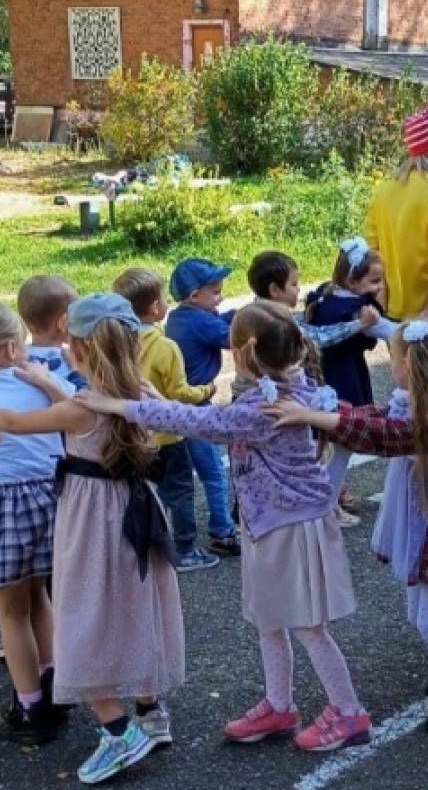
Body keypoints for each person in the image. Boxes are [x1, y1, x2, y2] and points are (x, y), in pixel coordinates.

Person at [79, 300, 372, 753]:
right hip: (270, 524)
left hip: (291, 528)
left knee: (309, 626)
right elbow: (198, 418)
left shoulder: (266, 407)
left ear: (244, 353)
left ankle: (349, 712)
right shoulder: (291, 387)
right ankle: (280, 704)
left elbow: (202, 423)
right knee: (269, 620)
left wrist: (121, 404)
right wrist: (152, 400)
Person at [0, 294, 185, 785]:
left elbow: (15, 424)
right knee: (137, 609)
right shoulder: (136, 391)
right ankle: (151, 711)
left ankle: (119, 730)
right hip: (141, 512)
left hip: (95, 524)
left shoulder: (83, 407)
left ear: (79, 349)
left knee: (82, 619)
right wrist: (49, 381)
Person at [264, 318, 428, 732]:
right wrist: (329, 409)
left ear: (410, 365)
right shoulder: (417, 399)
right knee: (420, 608)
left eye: (394, 358)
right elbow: (374, 418)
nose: (391, 364)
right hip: (426, 517)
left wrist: (315, 415)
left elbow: (381, 435)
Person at [0, 303, 64, 744]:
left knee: (11, 613)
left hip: (6, 510)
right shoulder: (40, 383)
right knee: (41, 596)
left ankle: (30, 707)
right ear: (12, 346)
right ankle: (55, 687)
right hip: (56, 499)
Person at [245, 248, 386, 523]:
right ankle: (321, 506)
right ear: (275, 289)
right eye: (294, 284)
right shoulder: (272, 317)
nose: (299, 289)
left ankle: (315, 504)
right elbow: (319, 337)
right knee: (312, 450)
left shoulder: (263, 311)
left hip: (282, 392)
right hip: (282, 394)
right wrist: (359, 324)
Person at [113, 267, 219, 574]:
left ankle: (149, 546)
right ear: (155, 307)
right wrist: (207, 389)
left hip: (135, 433)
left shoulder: (120, 342)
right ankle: (185, 549)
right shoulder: (164, 346)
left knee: (145, 492)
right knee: (180, 491)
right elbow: (180, 393)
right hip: (168, 434)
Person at [305, 238, 398, 518]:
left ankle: (327, 500)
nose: (379, 287)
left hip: (323, 377)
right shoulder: (358, 309)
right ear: (352, 281)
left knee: (324, 444)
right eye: (374, 281)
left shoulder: (325, 296)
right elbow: (393, 332)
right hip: (344, 379)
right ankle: (327, 504)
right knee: (344, 445)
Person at [164, 258, 240, 557]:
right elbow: (230, 337)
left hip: (178, 407)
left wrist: (232, 313)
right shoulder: (201, 321)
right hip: (197, 406)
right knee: (213, 473)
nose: (220, 298)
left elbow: (217, 322)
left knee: (179, 479)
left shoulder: (179, 317)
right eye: (216, 292)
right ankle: (222, 529)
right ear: (195, 296)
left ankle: (183, 532)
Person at [365, 107, 428, 320]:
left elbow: (373, 249)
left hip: (394, 308)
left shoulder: (384, 189)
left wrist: (381, 301)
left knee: (399, 356)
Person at [17, 275, 87, 390]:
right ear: (64, 323)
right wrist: (76, 369)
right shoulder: (69, 360)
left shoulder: (18, 357)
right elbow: (84, 397)